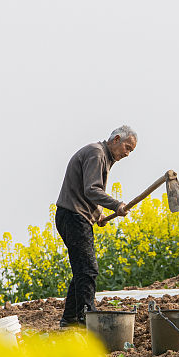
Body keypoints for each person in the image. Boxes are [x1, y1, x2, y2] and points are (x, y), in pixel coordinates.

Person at [55, 125, 137, 327]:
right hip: (74, 216)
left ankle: (70, 319)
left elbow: (86, 189)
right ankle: (87, 319)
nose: (127, 154)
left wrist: (98, 213)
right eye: (127, 148)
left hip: (73, 215)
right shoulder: (97, 153)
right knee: (87, 269)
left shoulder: (102, 155)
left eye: (131, 151)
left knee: (82, 269)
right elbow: (92, 189)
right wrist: (116, 205)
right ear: (116, 139)